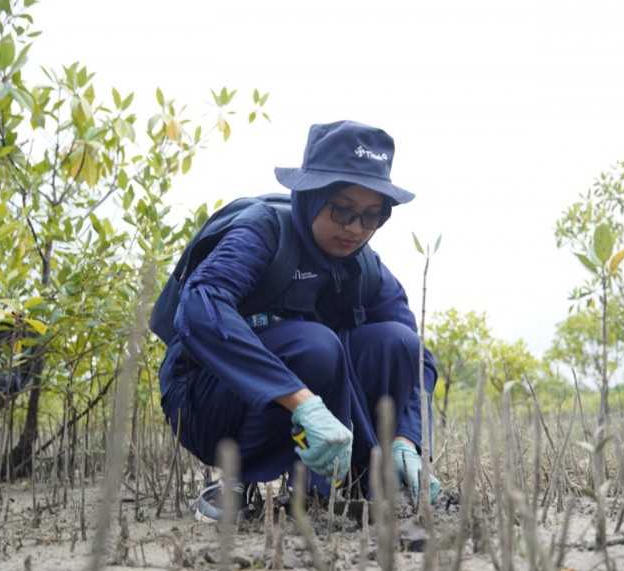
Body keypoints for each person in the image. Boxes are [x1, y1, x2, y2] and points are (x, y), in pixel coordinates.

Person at [158, 120, 440, 522]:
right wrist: (300, 400)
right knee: (316, 346)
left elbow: (417, 361)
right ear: (309, 194)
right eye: (342, 209)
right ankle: (238, 477)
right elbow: (199, 309)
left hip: (313, 381)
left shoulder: (367, 268)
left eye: (370, 216)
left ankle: (354, 477)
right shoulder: (261, 231)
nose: (355, 229)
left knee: (398, 342)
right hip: (207, 396)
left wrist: (406, 439)